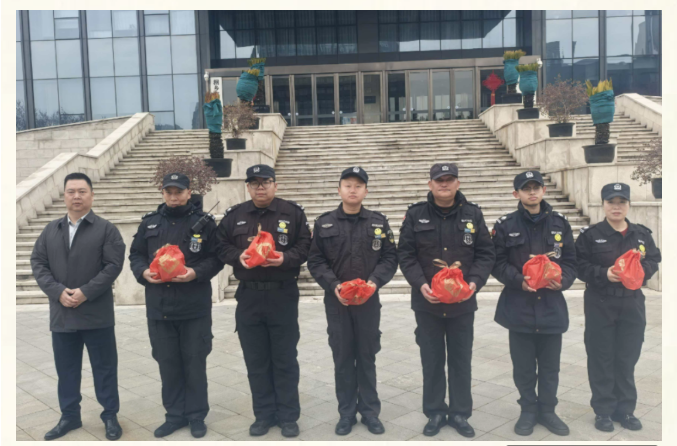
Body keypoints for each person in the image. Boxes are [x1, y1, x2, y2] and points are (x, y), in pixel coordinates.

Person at [397, 163, 495, 438]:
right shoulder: (416, 214)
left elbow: (486, 253)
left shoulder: (473, 214)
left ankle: (460, 413)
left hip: (462, 304)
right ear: (430, 184)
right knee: (431, 360)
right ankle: (435, 412)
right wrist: (421, 284)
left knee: (461, 360)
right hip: (427, 304)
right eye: (439, 180)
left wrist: (474, 282)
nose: (444, 184)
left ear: (457, 184)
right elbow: (405, 254)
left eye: (449, 179)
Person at [215, 164, 311, 438]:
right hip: (249, 296)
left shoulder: (292, 213)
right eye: (254, 183)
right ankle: (264, 415)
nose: (260, 187)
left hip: (282, 295)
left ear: (275, 185)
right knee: (256, 361)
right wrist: (238, 257)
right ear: (247, 187)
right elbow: (219, 245)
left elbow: (306, 246)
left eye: (265, 182)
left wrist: (285, 258)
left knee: (285, 359)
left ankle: (288, 416)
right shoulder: (235, 215)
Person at [31, 172, 126, 441]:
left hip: (97, 315)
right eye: (71, 191)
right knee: (67, 370)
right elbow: (38, 263)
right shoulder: (51, 230)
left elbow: (113, 266)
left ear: (92, 195)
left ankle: (110, 415)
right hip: (62, 315)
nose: (76, 196)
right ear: (64, 196)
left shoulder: (106, 229)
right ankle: (69, 416)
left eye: (82, 191)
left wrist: (86, 292)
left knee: (104, 368)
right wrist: (57, 291)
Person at [128, 173, 223, 439]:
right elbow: (135, 254)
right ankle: (174, 415)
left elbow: (217, 257)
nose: (173, 197)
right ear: (162, 193)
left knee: (194, 363)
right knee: (167, 363)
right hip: (160, 308)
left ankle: (196, 416)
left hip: (194, 308)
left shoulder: (203, 223)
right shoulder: (149, 223)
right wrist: (143, 272)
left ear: (189, 193)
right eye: (168, 192)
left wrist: (196, 273)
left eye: (179, 192)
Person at [307, 167, 398, 436]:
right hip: (337, 304)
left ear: (366, 191)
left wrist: (374, 282)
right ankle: (346, 413)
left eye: (358, 186)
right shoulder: (324, 223)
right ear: (339, 190)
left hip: (368, 302)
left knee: (367, 357)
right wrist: (333, 285)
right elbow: (316, 260)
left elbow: (390, 258)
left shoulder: (379, 222)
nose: (353, 190)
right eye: (348, 185)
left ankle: (370, 413)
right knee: (343, 358)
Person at [491, 171, 576, 437]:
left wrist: (563, 280)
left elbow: (571, 261)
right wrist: (518, 280)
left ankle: (548, 411)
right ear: (516, 193)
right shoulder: (505, 225)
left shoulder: (560, 223)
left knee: (550, 367)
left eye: (536, 187)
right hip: (520, 307)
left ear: (543, 191)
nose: (531, 192)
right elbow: (496, 262)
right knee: (524, 367)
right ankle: (528, 410)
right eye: (525, 188)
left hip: (551, 306)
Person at [575, 182, 661, 433]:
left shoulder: (641, 234)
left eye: (621, 202)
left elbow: (654, 258)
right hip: (601, 302)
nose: (616, 207)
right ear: (603, 205)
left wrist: (640, 272)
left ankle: (625, 410)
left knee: (626, 357)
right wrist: (604, 273)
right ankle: (603, 411)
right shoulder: (591, 235)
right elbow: (579, 265)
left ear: (628, 204)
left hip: (631, 302)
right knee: (601, 357)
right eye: (611, 202)